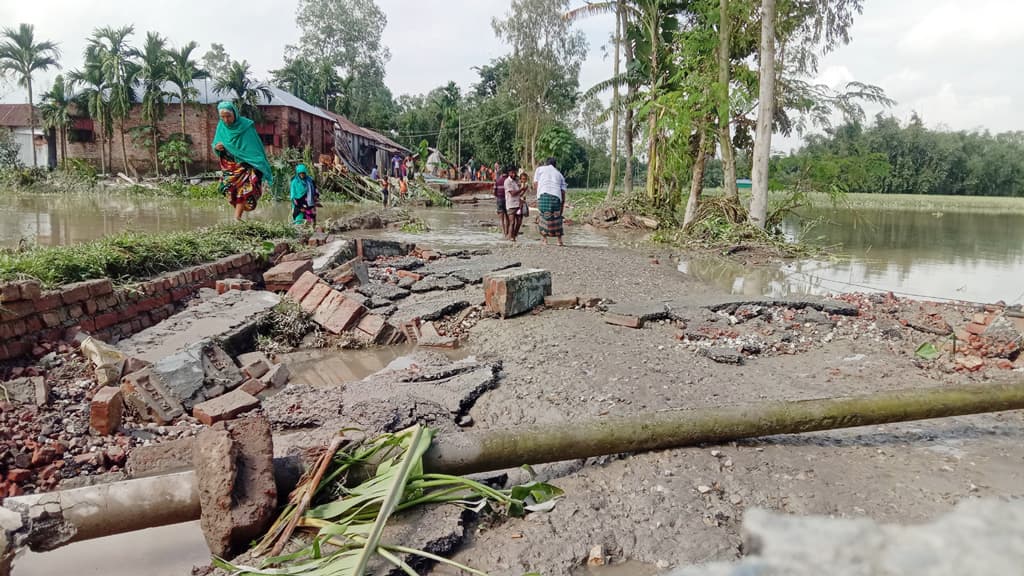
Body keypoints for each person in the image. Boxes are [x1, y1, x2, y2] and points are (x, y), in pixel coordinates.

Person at [212, 101, 273, 221]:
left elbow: (254, 146)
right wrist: (216, 147)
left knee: (244, 190)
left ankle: (237, 218)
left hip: (245, 164)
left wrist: (257, 162)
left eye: (228, 116)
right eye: (222, 117)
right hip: (229, 166)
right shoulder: (221, 126)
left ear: (234, 113)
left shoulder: (246, 126)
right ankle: (239, 215)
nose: (226, 120)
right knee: (230, 191)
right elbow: (216, 142)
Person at [534, 157, 568, 246]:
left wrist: (538, 197)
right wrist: (562, 205)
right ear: (555, 165)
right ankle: (559, 240)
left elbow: (536, 184)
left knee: (543, 216)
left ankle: (544, 240)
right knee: (556, 217)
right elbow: (563, 191)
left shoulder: (539, 169)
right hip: (556, 197)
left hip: (543, 195)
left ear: (546, 163)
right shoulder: (559, 174)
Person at [503, 166, 523, 242]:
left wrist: (523, 190)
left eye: (514, 172)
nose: (514, 174)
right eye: (512, 173)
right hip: (510, 204)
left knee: (519, 222)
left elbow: (519, 194)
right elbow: (512, 193)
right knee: (512, 222)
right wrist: (521, 189)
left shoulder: (515, 181)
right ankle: (511, 237)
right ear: (509, 173)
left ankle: (513, 235)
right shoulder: (507, 182)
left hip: (518, 204)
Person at [494, 164, 509, 238]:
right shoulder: (509, 180)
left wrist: (497, 196)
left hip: (499, 199)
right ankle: (507, 232)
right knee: (507, 217)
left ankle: (504, 233)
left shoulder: (498, 180)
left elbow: (494, 191)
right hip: (507, 200)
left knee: (501, 218)